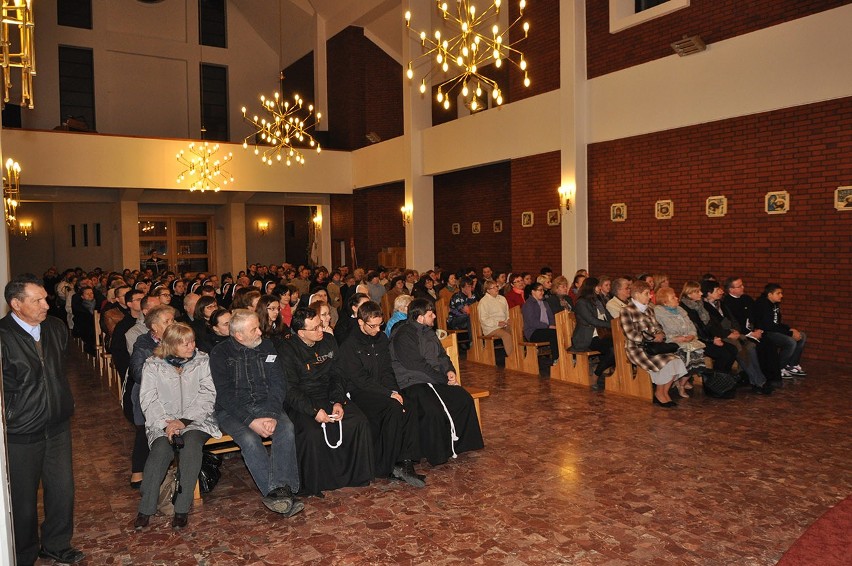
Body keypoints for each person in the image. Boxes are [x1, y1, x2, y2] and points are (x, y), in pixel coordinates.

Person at [0, 274, 85, 565]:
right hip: (21, 430)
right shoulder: (3, 335)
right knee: (23, 499)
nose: (45, 305)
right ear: (16, 304)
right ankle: (24, 553)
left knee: (62, 490)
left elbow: (58, 371)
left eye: (45, 298)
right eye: (37, 300)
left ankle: (57, 544)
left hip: (58, 423)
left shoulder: (56, 328)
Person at [209, 309, 304, 516]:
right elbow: (224, 396)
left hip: (266, 404)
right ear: (239, 335)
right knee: (250, 440)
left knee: (286, 428)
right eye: (254, 329)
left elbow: (279, 383)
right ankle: (279, 493)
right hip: (233, 411)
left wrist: (271, 413)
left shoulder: (268, 347)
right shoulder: (220, 353)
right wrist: (251, 421)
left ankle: (281, 492)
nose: (260, 332)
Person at [134, 323, 221, 531]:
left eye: (192, 341)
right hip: (162, 422)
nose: (192, 346)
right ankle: (145, 508)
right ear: (171, 345)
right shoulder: (153, 365)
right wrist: (168, 424)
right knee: (161, 449)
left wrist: (183, 421)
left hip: (197, 420)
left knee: (191, 446)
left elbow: (208, 395)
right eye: (185, 343)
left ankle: (181, 508)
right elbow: (148, 400)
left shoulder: (202, 361)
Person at [280, 307, 375, 496]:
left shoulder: (329, 341)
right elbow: (290, 389)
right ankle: (316, 483)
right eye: (315, 328)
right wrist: (314, 410)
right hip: (303, 399)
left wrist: (338, 401)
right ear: (301, 333)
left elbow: (337, 375)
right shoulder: (287, 350)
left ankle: (356, 476)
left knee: (358, 422)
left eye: (321, 325)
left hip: (329, 394)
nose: (321, 330)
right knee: (311, 433)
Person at [337, 301, 425, 487]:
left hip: (381, 389)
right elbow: (359, 380)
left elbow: (387, 371)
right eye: (373, 326)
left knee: (407, 404)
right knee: (392, 407)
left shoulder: (381, 339)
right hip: (360, 393)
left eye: (380, 325)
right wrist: (388, 394)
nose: (378, 329)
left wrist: (396, 392)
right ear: (361, 323)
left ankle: (406, 461)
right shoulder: (349, 345)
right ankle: (388, 464)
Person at [389, 298, 484, 465]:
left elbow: (442, 356)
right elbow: (416, 365)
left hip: (433, 379)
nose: (434, 316)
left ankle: (462, 444)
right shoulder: (404, 334)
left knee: (463, 398)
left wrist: (449, 371)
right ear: (419, 317)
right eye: (430, 313)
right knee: (432, 410)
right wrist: (442, 379)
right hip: (412, 381)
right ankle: (439, 453)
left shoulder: (429, 332)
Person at [620, 281, 687, 408]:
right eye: (647, 294)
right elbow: (630, 334)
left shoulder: (649, 310)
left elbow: (657, 327)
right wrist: (652, 338)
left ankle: (663, 392)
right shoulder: (627, 310)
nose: (650, 296)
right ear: (637, 294)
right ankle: (659, 394)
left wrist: (660, 334)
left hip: (653, 348)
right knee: (667, 362)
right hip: (637, 349)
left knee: (676, 360)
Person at [653, 287, 706, 398]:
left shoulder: (681, 310)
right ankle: (676, 381)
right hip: (672, 342)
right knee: (685, 355)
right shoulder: (659, 312)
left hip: (688, 340)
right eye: (673, 297)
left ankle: (681, 384)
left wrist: (691, 335)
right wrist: (675, 338)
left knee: (698, 353)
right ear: (665, 302)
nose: (677, 298)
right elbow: (662, 331)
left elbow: (691, 326)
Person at [752, 283, 807, 379]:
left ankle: (791, 365)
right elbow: (768, 326)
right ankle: (779, 368)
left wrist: (790, 329)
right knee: (790, 342)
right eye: (778, 293)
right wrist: (789, 333)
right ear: (770, 294)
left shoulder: (775, 304)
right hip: (765, 332)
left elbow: (777, 323)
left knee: (802, 336)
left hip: (773, 329)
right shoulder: (762, 305)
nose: (781, 295)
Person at [571, 277, 615, 391]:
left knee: (621, 347)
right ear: (591, 287)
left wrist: (617, 323)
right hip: (588, 336)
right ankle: (595, 376)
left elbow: (608, 316)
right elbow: (592, 320)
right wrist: (611, 325)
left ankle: (612, 376)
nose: (599, 288)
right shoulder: (581, 302)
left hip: (602, 334)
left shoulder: (598, 300)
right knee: (613, 350)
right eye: (597, 286)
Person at [522, 282, 559, 365]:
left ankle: (564, 357)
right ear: (533, 291)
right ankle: (556, 359)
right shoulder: (528, 304)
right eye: (540, 290)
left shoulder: (545, 303)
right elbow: (532, 322)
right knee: (554, 334)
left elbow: (551, 317)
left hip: (546, 329)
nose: (542, 292)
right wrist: (548, 326)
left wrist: (552, 325)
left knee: (559, 332)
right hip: (533, 332)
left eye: (543, 290)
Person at [478, 279, 514, 358]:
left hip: (503, 324)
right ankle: (512, 357)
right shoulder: (484, 302)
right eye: (493, 287)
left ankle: (520, 353)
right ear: (488, 290)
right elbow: (483, 319)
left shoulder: (502, 298)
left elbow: (507, 312)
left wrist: (507, 320)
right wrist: (497, 323)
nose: (496, 289)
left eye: (497, 286)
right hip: (491, 327)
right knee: (506, 335)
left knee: (515, 330)